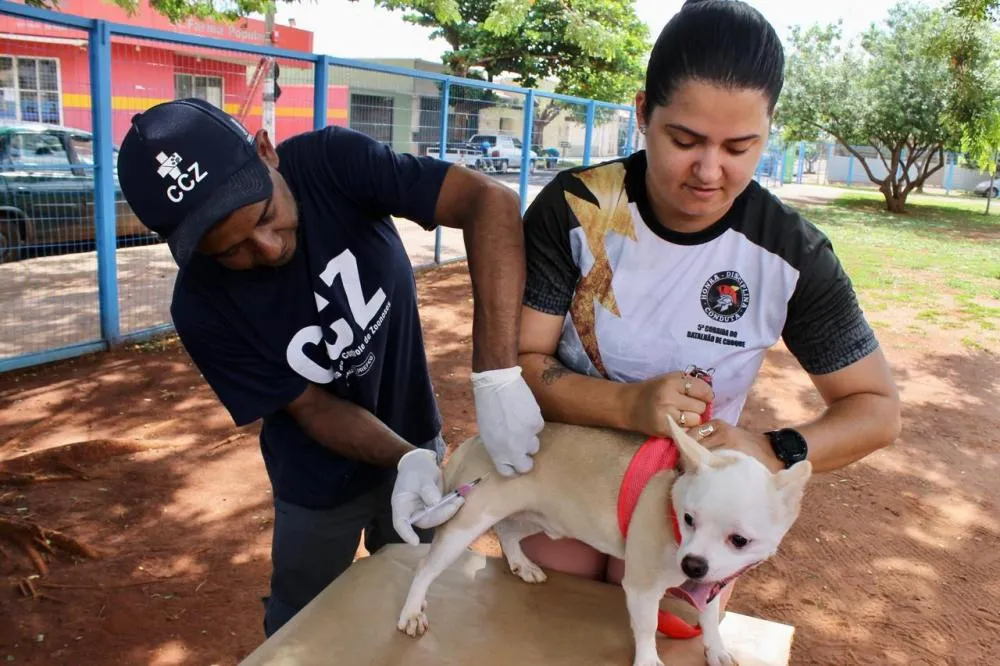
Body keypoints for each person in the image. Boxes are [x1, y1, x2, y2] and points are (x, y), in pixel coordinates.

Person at [514, 0, 902, 609]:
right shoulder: (577, 207)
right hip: (569, 465)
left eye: (740, 146)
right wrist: (628, 404)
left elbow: (876, 410)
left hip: (693, 500)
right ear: (643, 113)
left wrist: (773, 450)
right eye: (685, 139)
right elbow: (523, 361)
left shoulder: (790, 254)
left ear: (769, 132)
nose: (709, 171)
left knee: (663, 634)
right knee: (552, 617)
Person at [115, 98, 544, 637]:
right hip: (314, 483)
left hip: (417, 430)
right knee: (301, 623)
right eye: (233, 251)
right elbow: (311, 407)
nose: (268, 249)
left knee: (426, 596)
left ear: (266, 151)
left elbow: (488, 201)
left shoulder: (330, 163)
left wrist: (496, 377)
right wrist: (405, 458)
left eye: (265, 216)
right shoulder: (200, 307)